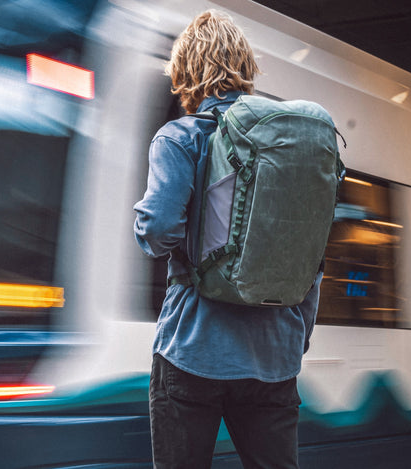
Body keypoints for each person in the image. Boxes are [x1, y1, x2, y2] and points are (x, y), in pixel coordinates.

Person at [133, 10, 321, 469]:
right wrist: (295, 337)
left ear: (185, 74)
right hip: (274, 356)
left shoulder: (181, 137)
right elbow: (312, 259)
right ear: (245, 68)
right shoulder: (289, 149)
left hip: (194, 349)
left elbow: (157, 230)